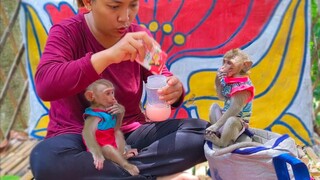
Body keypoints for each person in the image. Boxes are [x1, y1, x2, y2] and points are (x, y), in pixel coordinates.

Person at [30, 0, 210, 179]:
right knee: (45, 160)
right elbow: (45, 85)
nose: (125, 17)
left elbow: (162, 75)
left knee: (203, 133)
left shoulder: (139, 37)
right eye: (114, 6)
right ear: (88, 2)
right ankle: (147, 174)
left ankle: (121, 174)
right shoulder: (67, 32)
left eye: (132, 5)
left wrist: (174, 90)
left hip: (129, 135)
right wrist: (109, 56)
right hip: (77, 136)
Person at [82, 79, 139, 175]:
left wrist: (121, 113)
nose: (113, 97)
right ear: (91, 96)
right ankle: (125, 165)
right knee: (108, 148)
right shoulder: (94, 115)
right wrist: (97, 153)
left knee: (118, 133)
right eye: (107, 93)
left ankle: (121, 156)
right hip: (102, 149)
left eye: (112, 92)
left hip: (112, 145)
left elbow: (116, 128)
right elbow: (86, 134)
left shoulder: (108, 110)